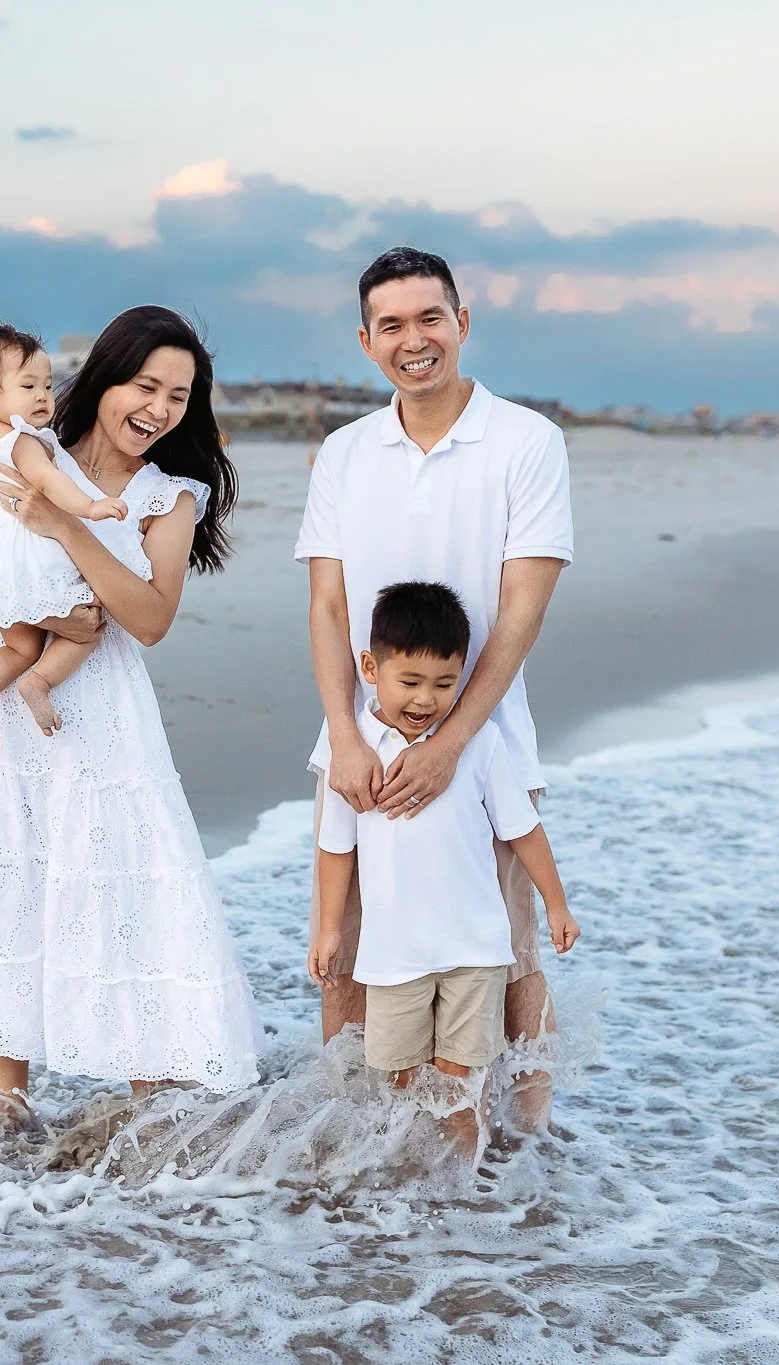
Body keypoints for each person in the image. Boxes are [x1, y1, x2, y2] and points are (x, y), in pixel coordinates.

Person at [0, 306, 263, 1124]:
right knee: (3, 867)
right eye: (145, 385)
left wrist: (61, 531)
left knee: (124, 885)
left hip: (103, 708)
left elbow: (149, 619)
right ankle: (11, 1099)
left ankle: (146, 1103)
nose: (157, 409)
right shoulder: (26, 453)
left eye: (179, 397)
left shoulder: (168, 495)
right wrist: (56, 616)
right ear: (105, 379)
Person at [296, 246, 574, 1128]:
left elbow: (523, 608)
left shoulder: (528, 441)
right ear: (366, 340)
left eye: (430, 318)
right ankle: (361, 1139)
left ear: (462, 321)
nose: (413, 340)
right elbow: (329, 601)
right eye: (392, 325)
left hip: (488, 739)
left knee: (506, 950)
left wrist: (452, 744)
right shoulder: (343, 453)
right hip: (360, 742)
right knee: (351, 954)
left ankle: (526, 1147)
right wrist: (344, 729)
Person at [308, 583, 578, 1151]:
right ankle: (410, 1198)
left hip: (473, 952)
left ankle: (466, 1203)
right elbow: (337, 847)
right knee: (403, 1085)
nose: (425, 699)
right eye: (409, 681)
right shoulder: (352, 751)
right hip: (393, 957)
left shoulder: (477, 746)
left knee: (461, 1087)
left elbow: (521, 829)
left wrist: (556, 903)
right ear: (369, 666)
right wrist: (328, 929)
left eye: (445, 683)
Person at [0, 320, 129, 750]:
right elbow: (51, 483)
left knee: (19, 645)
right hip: (25, 557)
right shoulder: (24, 442)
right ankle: (37, 683)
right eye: (29, 385)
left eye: (48, 386)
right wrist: (91, 507)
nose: (42, 396)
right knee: (88, 628)